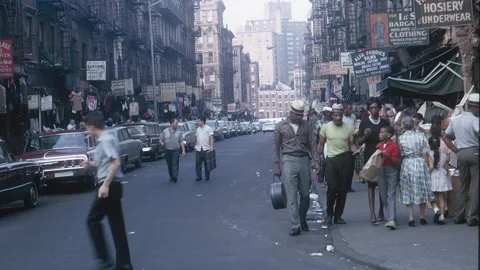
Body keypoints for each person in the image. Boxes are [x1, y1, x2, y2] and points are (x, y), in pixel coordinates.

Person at [81, 111, 133, 270]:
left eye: (86, 128)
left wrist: (105, 185)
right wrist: (91, 164)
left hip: (109, 185)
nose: (86, 131)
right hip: (114, 185)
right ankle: (124, 264)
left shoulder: (105, 140)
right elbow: (105, 161)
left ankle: (104, 259)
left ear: (92, 126)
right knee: (116, 224)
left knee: (92, 220)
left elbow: (115, 163)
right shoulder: (108, 138)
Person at [273, 100, 320, 236]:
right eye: (297, 115)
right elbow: (276, 147)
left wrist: (316, 161)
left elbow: (312, 144)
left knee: (305, 194)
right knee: (291, 195)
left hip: (304, 160)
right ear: (291, 112)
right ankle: (296, 225)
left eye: (301, 115)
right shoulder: (280, 126)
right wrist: (276, 164)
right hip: (288, 159)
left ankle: (303, 218)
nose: (299, 117)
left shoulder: (306, 126)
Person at [442, 93, 479, 227]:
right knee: (476, 187)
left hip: (461, 153)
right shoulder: (475, 120)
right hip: (475, 152)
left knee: (463, 186)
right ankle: (472, 217)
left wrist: (456, 150)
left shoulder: (455, 119)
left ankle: (459, 215)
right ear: (475, 108)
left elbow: (445, 137)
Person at [318, 104, 356, 225]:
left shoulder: (349, 128)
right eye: (336, 115)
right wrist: (317, 160)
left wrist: (355, 150)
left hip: (345, 159)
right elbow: (320, 144)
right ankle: (329, 214)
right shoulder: (325, 128)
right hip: (332, 160)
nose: (338, 118)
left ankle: (338, 216)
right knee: (332, 188)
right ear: (332, 115)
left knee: (343, 189)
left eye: (340, 115)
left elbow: (351, 144)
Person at [398, 116, 435, 227]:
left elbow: (401, 153)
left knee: (407, 189)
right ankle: (422, 216)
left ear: (404, 125)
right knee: (421, 188)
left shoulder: (401, 138)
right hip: (420, 163)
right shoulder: (421, 135)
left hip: (408, 163)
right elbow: (426, 151)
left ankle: (411, 217)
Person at [358, 99, 389, 224]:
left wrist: (382, 142)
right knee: (371, 184)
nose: (374, 110)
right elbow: (359, 141)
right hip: (370, 155)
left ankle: (382, 209)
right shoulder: (364, 122)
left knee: (382, 183)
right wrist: (365, 136)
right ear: (369, 110)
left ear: (380, 108)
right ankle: (372, 212)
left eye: (376, 107)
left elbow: (390, 137)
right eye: (371, 108)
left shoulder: (384, 122)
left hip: (382, 154)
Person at [377, 125, 400, 230]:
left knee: (391, 194)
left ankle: (391, 219)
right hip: (381, 170)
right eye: (380, 133)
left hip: (391, 170)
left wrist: (388, 156)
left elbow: (396, 162)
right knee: (383, 194)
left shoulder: (393, 146)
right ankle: (391, 216)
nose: (380, 134)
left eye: (382, 133)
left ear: (389, 135)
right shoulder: (380, 145)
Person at [428, 135, 452, 225]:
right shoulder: (444, 155)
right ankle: (442, 216)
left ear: (430, 145)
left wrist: (427, 173)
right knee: (442, 198)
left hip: (434, 175)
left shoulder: (429, 154)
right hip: (442, 175)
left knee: (433, 196)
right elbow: (446, 167)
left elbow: (431, 166)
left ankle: (436, 210)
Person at [160, 118, 186, 183]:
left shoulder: (179, 132)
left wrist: (183, 150)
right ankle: (171, 176)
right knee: (169, 164)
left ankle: (175, 176)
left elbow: (181, 141)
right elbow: (160, 140)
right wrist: (162, 143)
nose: (177, 124)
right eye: (176, 123)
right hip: (167, 150)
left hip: (176, 150)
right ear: (172, 123)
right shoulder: (165, 131)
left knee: (175, 163)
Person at [195, 116, 215, 181]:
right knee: (198, 163)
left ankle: (207, 176)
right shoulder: (198, 129)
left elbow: (211, 137)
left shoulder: (208, 128)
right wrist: (195, 145)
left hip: (206, 148)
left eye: (199, 121)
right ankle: (199, 176)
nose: (198, 122)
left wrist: (211, 146)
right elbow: (196, 137)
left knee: (207, 164)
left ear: (202, 121)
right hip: (198, 148)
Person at [343, 103, 356, 193]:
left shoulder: (353, 117)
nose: (350, 110)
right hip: (343, 144)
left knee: (351, 166)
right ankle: (343, 185)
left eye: (351, 109)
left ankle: (349, 185)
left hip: (352, 143)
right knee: (344, 167)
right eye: (348, 109)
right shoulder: (341, 118)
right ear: (345, 109)